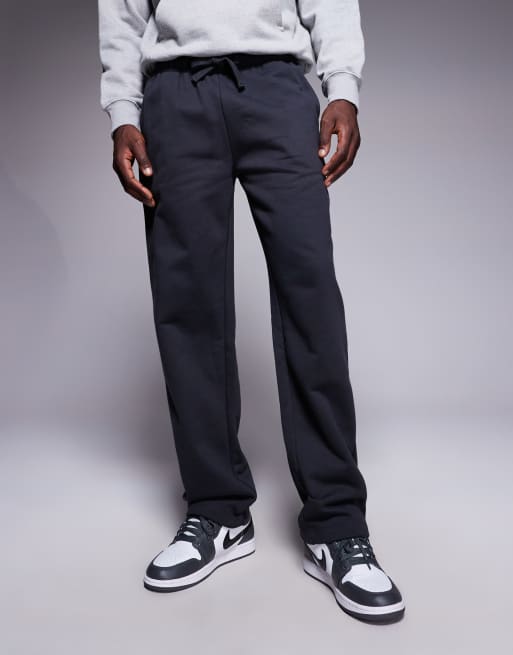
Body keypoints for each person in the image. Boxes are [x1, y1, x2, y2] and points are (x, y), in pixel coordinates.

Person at [97, 0, 405, 623]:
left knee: (310, 299)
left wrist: (342, 89)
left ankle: (338, 524)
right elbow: (122, 12)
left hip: (276, 87)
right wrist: (123, 112)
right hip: (175, 95)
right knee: (189, 306)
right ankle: (217, 512)